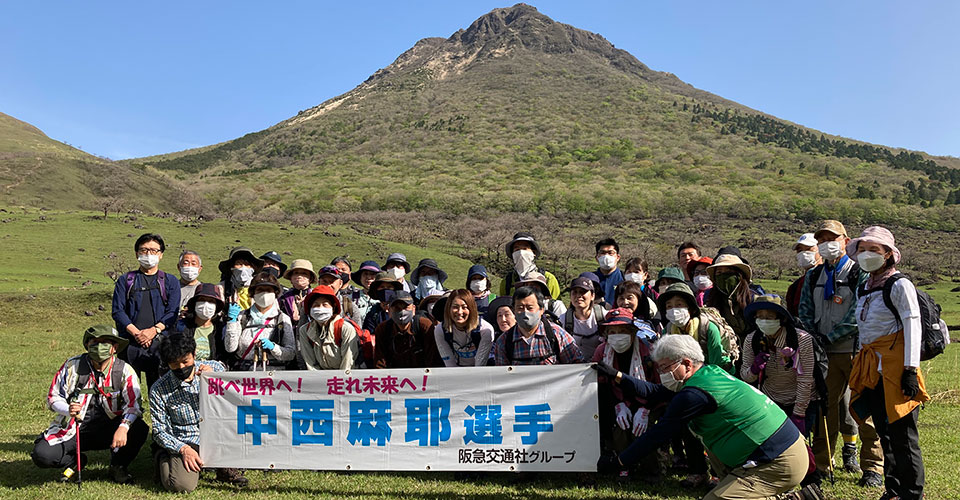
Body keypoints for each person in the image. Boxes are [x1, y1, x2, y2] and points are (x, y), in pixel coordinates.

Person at [595, 335, 819, 500]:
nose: (662, 374)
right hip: (788, 449)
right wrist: (617, 376)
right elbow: (655, 392)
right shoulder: (709, 374)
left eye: (665, 368)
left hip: (778, 461)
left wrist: (618, 462)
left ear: (686, 364)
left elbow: (656, 434)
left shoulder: (693, 395)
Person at [848, 226, 929, 500]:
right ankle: (893, 489)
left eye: (874, 250)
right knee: (885, 432)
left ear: (888, 255)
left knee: (904, 436)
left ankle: (911, 493)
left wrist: (910, 370)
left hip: (896, 369)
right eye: (862, 249)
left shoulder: (899, 285)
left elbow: (912, 324)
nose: (867, 254)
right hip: (873, 369)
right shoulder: (865, 288)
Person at [798, 220, 883, 485]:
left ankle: (873, 467)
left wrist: (830, 336)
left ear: (846, 241)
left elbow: (859, 312)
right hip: (825, 354)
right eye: (821, 240)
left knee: (865, 408)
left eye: (832, 238)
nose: (826, 244)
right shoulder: (814, 275)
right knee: (826, 409)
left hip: (856, 351)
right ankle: (823, 464)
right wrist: (813, 337)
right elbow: (805, 309)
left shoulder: (859, 273)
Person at [31, 325, 148, 484]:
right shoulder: (72, 366)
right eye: (94, 342)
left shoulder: (125, 370)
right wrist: (68, 409)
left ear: (114, 347)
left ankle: (118, 465)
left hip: (111, 428)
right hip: (76, 429)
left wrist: (124, 427)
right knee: (42, 455)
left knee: (139, 429)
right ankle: (75, 462)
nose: (99, 347)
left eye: (105, 342)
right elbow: (53, 397)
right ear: (87, 345)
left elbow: (133, 405)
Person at [740, 295, 820, 486]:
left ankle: (811, 485)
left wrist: (799, 413)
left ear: (781, 318)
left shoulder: (801, 340)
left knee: (799, 447)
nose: (765, 321)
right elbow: (744, 375)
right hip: (770, 400)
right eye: (760, 316)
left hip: (798, 399)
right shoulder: (752, 339)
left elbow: (805, 378)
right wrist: (754, 369)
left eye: (770, 316)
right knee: (769, 446)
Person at [151, 334, 247, 492]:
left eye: (185, 361)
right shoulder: (159, 389)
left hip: (217, 434)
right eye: (174, 364)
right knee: (181, 485)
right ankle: (163, 457)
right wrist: (183, 449)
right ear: (167, 364)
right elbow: (159, 430)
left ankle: (223, 467)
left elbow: (230, 384)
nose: (181, 367)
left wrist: (216, 378)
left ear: (194, 355)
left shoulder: (213, 369)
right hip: (186, 440)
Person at [658, 282, 731, 487]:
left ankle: (719, 472)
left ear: (690, 306)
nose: (674, 310)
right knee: (688, 428)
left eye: (679, 304)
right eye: (669, 306)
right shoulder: (668, 331)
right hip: (682, 386)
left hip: (712, 386)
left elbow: (717, 363)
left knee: (713, 429)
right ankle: (697, 471)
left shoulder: (708, 328)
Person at [591, 308, 661, 480]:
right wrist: (617, 405)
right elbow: (600, 384)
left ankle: (652, 469)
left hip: (648, 401)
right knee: (620, 428)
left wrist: (645, 409)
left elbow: (659, 385)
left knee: (644, 430)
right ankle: (624, 465)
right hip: (617, 400)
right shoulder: (602, 352)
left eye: (622, 330)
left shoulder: (648, 351)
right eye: (612, 332)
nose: (617, 335)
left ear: (632, 331)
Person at [111, 233, 181, 389]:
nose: (149, 254)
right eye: (144, 250)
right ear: (137, 254)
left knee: (160, 391)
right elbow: (118, 311)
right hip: (129, 345)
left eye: (154, 250)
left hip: (160, 345)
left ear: (161, 255)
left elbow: (172, 312)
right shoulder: (125, 280)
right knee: (126, 392)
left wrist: (153, 331)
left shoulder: (170, 281)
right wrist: (138, 334)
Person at [492, 286, 583, 365]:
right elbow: (502, 376)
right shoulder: (503, 342)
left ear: (541, 310)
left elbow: (577, 366)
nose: (525, 312)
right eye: (520, 308)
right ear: (514, 311)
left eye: (530, 308)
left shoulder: (557, 335)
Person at [223, 272, 296, 371]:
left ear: (275, 293)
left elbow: (290, 354)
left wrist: (273, 347)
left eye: (269, 290)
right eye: (260, 290)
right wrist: (231, 321)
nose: (264, 294)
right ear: (253, 293)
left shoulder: (282, 318)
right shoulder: (242, 316)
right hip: (245, 376)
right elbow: (230, 348)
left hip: (274, 376)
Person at [297, 285, 360, 370]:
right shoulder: (305, 330)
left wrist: (340, 380)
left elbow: (348, 362)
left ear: (333, 307)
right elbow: (310, 362)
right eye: (315, 305)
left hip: (342, 377)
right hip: (319, 378)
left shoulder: (345, 328)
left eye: (325, 305)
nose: (320, 308)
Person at [372, 291, 439, 368]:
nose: (402, 311)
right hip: (394, 377)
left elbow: (433, 360)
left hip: (422, 376)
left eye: (406, 307)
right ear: (389, 311)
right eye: (397, 308)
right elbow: (380, 363)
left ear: (413, 309)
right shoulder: (383, 329)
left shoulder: (424, 325)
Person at [433, 289, 496, 367]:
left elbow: (480, 364)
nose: (459, 312)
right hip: (458, 369)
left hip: (483, 370)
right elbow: (449, 363)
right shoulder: (440, 330)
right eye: (455, 307)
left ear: (471, 309)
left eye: (464, 307)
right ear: (448, 309)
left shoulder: (485, 329)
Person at [705, 253, 757, 342]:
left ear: (740, 275)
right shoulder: (711, 301)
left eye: (729, 272)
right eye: (719, 273)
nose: (724, 276)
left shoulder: (754, 300)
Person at [172, 283, 226, 362]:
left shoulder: (220, 329)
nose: (206, 304)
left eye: (211, 301)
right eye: (202, 299)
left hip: (213, 371)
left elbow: (224, 357)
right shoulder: (182, 326)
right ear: (194, 304)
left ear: (216, 306)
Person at [499, 232, 561, 299]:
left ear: (533, 253)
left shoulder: (548, 278)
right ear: (512, 254)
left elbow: (556, 304)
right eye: (517, 249)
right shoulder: (506, 282)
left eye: (525, 248)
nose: (521, 253)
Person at [562, 276, 608, 361]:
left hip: (600, 366)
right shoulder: (563, 320)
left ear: (592, 296)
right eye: (574, 292)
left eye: (583, 292)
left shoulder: (603, 316)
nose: (578, 296)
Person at [786, 233, 821, 318]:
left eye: (808, 249)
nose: (804, 253)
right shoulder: (795, 286)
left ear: (820, 249)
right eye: (800, 250)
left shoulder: (829, 279)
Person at [280, 259, 317, 325]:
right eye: (296, 273)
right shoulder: (283, 299)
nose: (299, 276)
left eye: (304, 273)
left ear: (310, 278)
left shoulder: (316, 297)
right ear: (291, 278)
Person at [594, 238, 624, 307]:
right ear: (597, 258)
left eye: (610, 253)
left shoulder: (624, 278)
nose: (606, 256)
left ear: (618, 257)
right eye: (602, 253)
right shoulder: (589, 280)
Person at [350, 260, 381, 326]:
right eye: (365, 274)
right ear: (360, 277)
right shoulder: (351, 298)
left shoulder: (384, 299)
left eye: (372, 274)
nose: (369, 277)